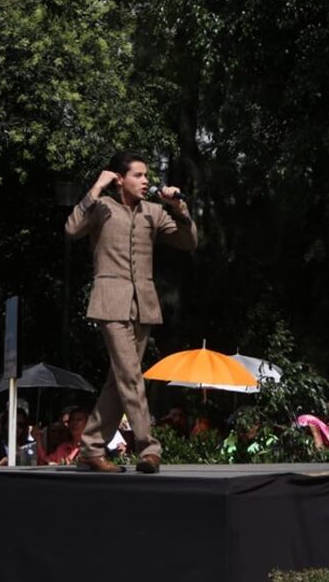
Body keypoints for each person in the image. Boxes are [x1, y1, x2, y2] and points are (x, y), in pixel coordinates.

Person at [65, 150, 198, 473]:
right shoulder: (102, 207)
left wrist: (179, 207)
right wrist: (96, 187)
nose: (145, 181)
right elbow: (71, 229)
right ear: (119, 179)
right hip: (110, 301)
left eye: (147, 176)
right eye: (138, 175)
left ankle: (92, 448)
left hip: (144, 304)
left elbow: (188, 241)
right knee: (130, 375)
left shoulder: (154, 211)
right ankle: (149, 447)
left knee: (119, 381)